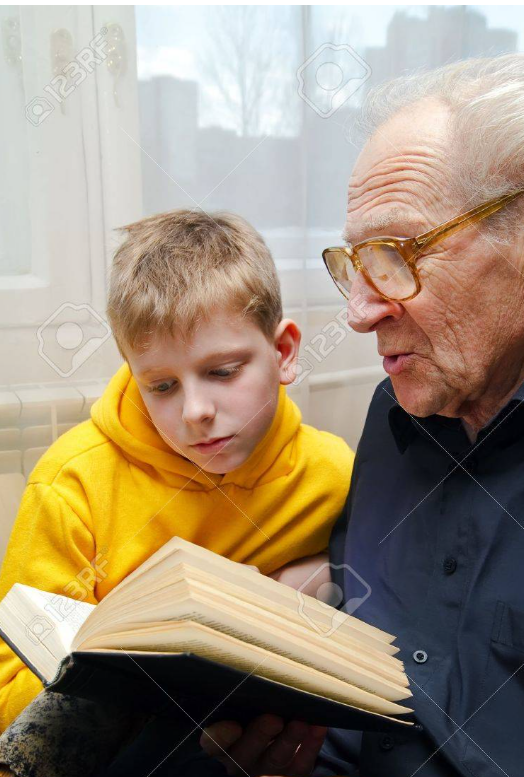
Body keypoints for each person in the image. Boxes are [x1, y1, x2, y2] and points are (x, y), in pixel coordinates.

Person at [200, 53, 524, 776]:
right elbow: (351, 589)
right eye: (354, 262)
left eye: (397, 253)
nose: (358, 312)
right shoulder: (397, 408)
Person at [0, 209, 353, 774]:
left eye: (222, 372)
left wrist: (313, 579)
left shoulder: (334, 474)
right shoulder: (75, 481)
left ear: (284, 353)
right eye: (161, 386)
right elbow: (9, 689)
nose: (195, 412)